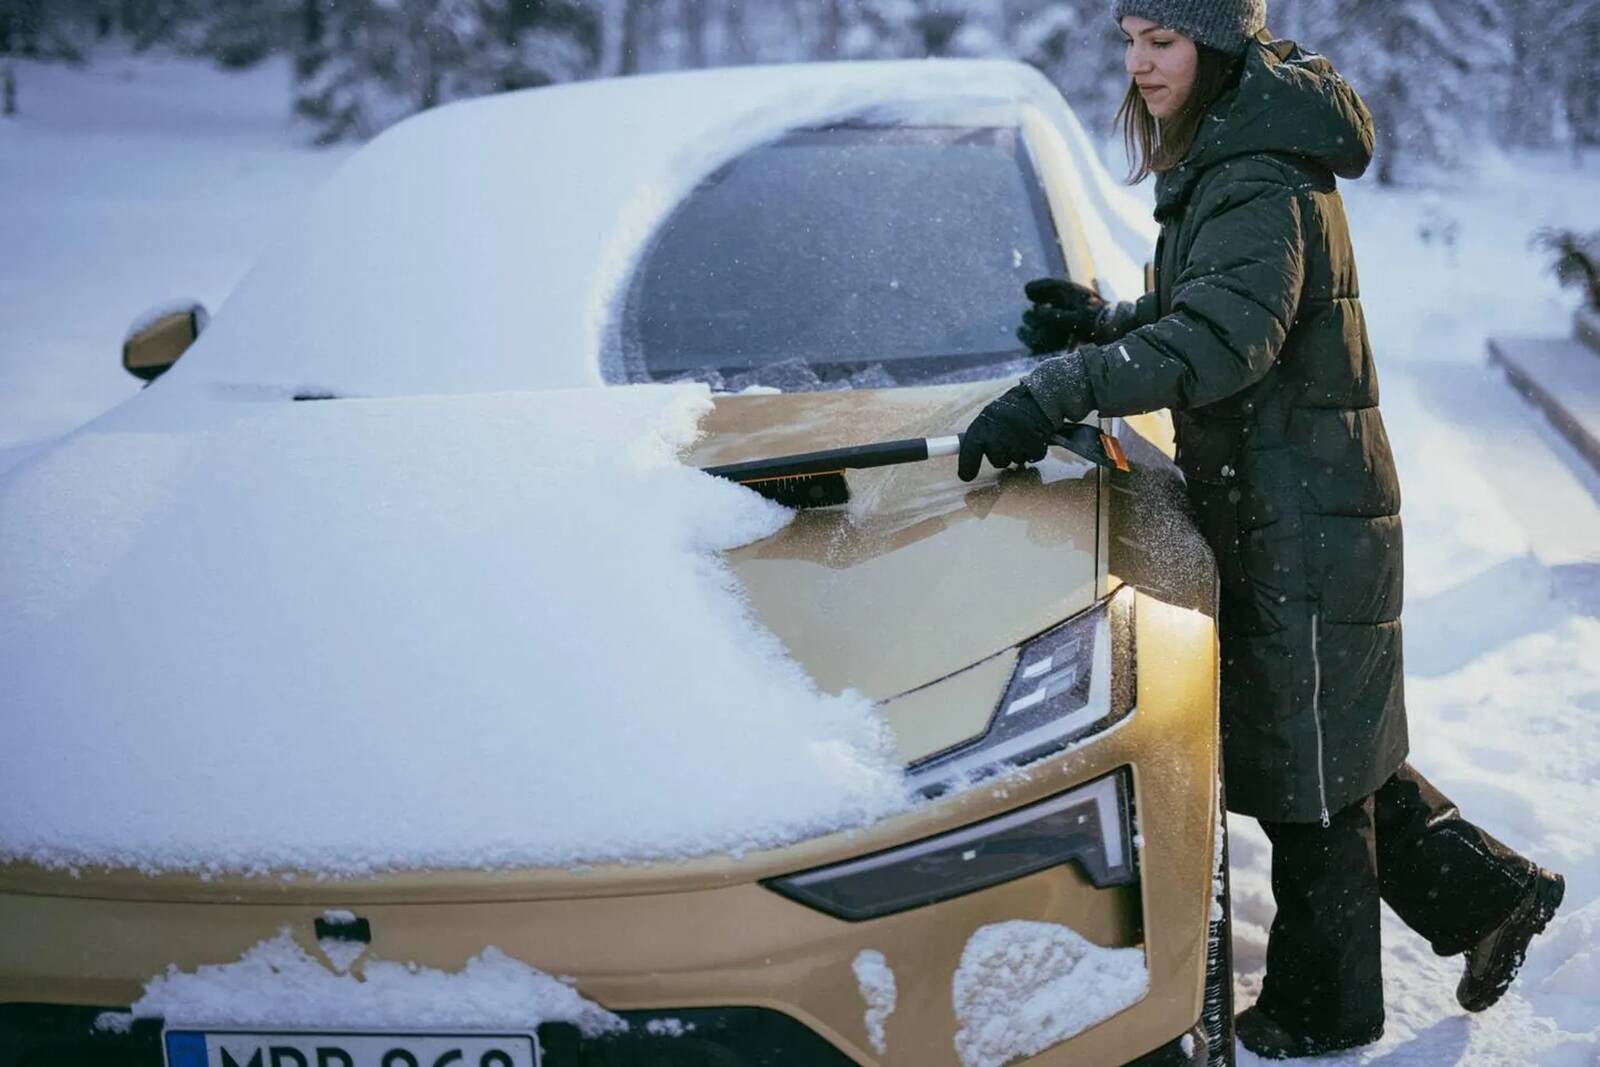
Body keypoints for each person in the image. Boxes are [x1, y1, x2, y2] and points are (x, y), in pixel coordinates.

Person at [957, 0, 1567, 1059]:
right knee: (1322, 738)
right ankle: (1492, 895)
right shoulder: (1242, 143)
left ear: (1220, 44)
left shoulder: (1254, 168)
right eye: (1131, 41)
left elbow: (1226, 339)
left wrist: (1063, 385)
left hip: (1304, 518)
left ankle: (1320, 1010)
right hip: (1291, 504)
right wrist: (1104, 328)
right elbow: (1217, 303)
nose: (1141, 66)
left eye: (1165, 42)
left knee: (1306, 775)